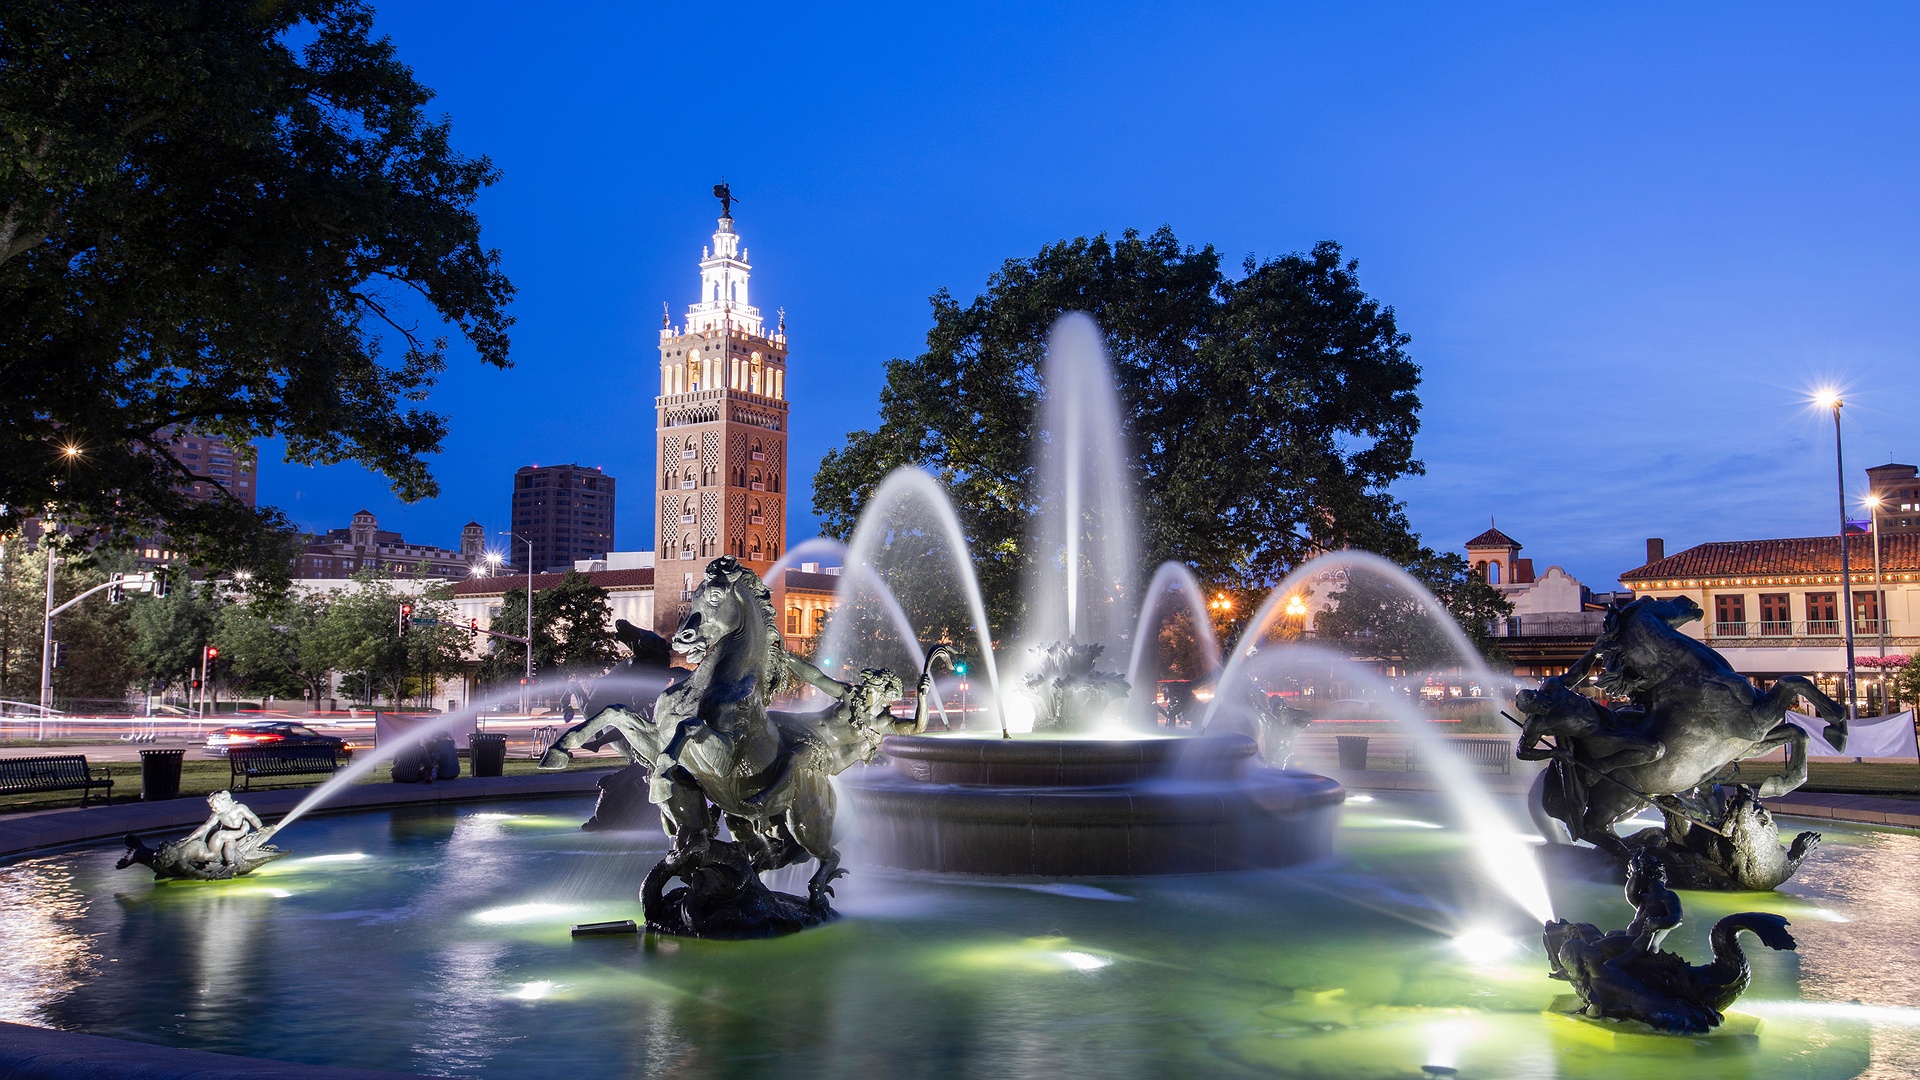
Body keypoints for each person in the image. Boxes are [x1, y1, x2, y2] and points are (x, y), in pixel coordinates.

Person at [184, 790, 264, 867]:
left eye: (215, 807)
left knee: (224, 838)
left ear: (222, 803)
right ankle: (230, 863)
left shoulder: (239, 808)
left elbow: (252, 817)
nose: (213, 809)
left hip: (239, 833)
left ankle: (230, 862)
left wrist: (260, 827)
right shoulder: (217, 814)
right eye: (212, 808)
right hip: (228, 834)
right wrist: (191, 836)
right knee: (229, 844)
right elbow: (206, 826)